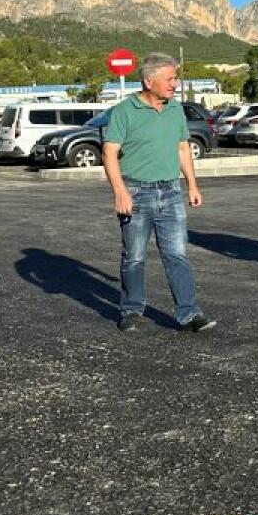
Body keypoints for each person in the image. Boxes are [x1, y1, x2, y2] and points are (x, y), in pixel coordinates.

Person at [101, 53, 214, 332]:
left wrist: (192, 185)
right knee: (135, 256)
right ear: (148, 81)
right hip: (136, 192)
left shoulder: (175, 109)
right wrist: (120, 192)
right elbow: (109, 153)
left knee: (177, 254)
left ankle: (188, 313)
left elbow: (182, 148)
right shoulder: (124, 111)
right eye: (170, 79)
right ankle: (131, 310)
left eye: (175, 78)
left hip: (171, 192)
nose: (175, 84)